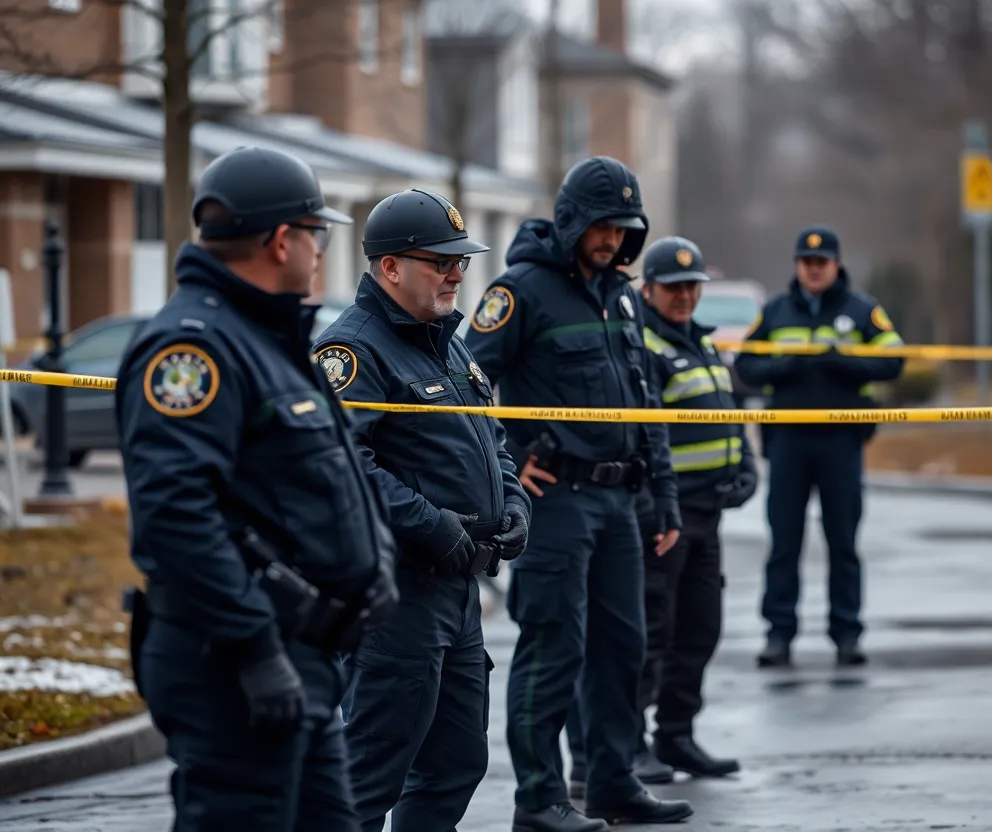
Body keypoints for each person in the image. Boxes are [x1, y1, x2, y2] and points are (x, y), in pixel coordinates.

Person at [116, 145, 399, 830]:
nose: (320, 252)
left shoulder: (268, 336)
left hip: (300, 656)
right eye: (316, 234)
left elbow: (332, 472)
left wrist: (376, 563)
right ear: (281, 241)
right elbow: (176, 516)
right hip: (235, 665)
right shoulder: (194, 350)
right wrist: (254, 649)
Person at [465, 156, 694, 832]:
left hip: (621, 502)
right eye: (601, 226)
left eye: (624, 228)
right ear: (571, 220)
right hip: (557, 500)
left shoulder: (622, 294)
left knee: (623, 646)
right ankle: (538, 799)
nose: (612, 240)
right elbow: (467, 384)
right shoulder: (520, 292)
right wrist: (512, 461)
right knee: (552, 646)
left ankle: (612, 780)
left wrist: (664, 495)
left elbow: (644, 401)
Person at [311, 189, 531, 832]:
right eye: (440, 261)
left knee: (456, 763)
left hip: (457, 593)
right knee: (368, 777)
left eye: (460, 260)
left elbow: (492, 440)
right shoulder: (352, 351)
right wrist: (431, 526)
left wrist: (512, 500)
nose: (457, 273)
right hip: (399, 596)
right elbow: (342, 469)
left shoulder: (447, 343)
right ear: (390, 268)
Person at [566, 236, 758, 792]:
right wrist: (657, 501)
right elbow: (642, 432)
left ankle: (676, 732)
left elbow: (728, 413)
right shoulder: (642, 346)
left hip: (709, 514)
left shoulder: (702, 342)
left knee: (699, 630)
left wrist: (745, 466)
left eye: (693, 286)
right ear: (647, 289)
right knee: (649, 634)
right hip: (662, 516)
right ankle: (632, 743)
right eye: (674, 288)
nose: (685, 296)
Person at [735, 226, 904, 670]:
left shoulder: (862, 310)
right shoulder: (775, 311)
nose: (813, 270)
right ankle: (778, 634)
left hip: (841, 442)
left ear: (836, 264)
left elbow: (894, 359)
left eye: (821, 262)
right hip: (788, 442)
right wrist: (783, 365)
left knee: (843, 543)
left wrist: (844, 360)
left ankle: (847, 634)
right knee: (784, 543)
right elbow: (746, 365)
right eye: (806, 263)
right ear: (797, 265)